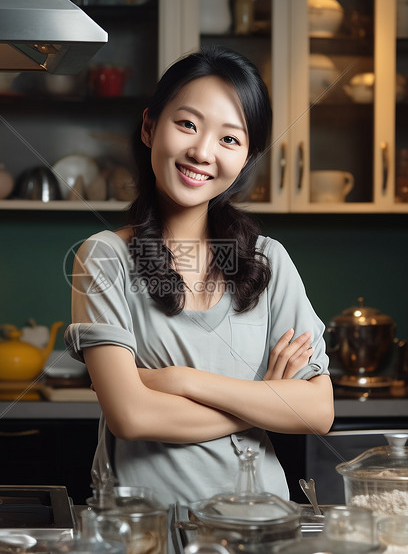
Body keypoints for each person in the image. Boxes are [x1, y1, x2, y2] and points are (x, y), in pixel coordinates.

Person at [65, 47, 334, 506]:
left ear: (246, 157)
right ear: (150, 127)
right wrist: (262, 403)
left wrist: (182, 381)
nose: (202, 152)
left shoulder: (269, 261)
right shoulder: (105, 257)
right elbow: (130, 415)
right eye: (187, 124)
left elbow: (318, 410)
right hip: (147, 530)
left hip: (258, 527)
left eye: (230, 139)